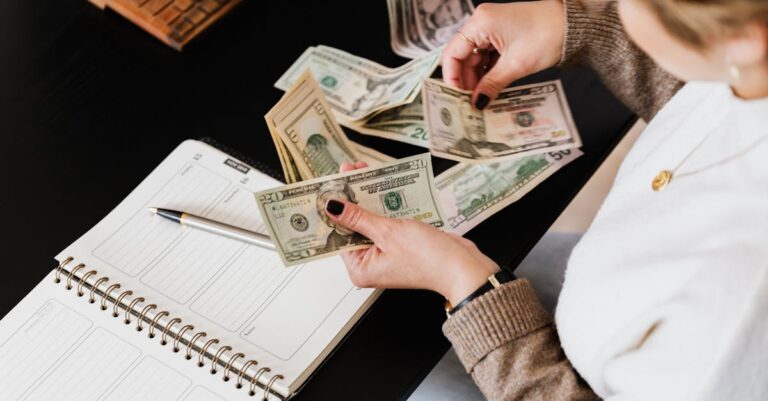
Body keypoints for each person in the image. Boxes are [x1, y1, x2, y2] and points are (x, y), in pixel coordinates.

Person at [324, 0, 768, 400]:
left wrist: (467, 287)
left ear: (746, 39)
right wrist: (582, 29)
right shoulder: (752, 70)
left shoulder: (732, 328)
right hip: (592, 287)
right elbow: (711, 103)